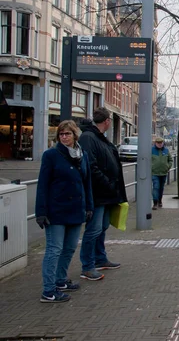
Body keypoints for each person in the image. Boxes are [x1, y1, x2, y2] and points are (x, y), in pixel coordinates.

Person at [35, 120, 94, 303]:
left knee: (69, 248)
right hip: (56, 210)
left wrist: (89, 206)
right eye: (61, 134)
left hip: (76, 210)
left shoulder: (81, 155)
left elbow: (86, 183)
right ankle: (48, 290)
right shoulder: (51, 155)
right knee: (54, 249)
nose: (64, 137)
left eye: (67, 134)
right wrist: (41, 211)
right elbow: (42, 185)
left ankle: (60, 281)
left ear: (75, 135)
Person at [78, 107, 127, 281]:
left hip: (107, 194)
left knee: (103, 226)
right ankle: (88, 266)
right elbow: (91, 166)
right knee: (93, 229)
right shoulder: (89, 138)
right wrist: (107, 183)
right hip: (98, 194)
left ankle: (100, 258)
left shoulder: (97, 138)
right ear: (107, 121)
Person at [151, 137, 173, 209]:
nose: (160, 144)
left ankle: (160, 200)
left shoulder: (166, 150)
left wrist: (168, 167)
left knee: (161, 188)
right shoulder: (152, 150)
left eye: (161, 143)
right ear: (155, 143)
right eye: (158, 143)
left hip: (163, 172)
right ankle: (155, 202)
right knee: (156, 187)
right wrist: (151, 167)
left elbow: (170, 160)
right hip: (155, 172)